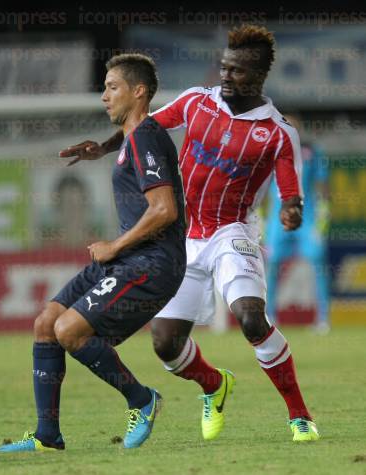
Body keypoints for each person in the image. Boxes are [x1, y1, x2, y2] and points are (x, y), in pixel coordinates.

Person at [60, 24, 319, 442]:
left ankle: (299, 417)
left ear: (258, 76)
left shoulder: (277, 131)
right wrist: (103, 147)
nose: (226, 76)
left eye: (236, 71)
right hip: (180, 237)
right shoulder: (197, 101)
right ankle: (215, 386)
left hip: (231, 231)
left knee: (251, 319)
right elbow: (145, 130)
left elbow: (291, 192)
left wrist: (291, 210)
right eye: (224, 67)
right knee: (165, 344)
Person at [0, 53, 186, 452]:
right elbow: (133, 142)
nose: (103, 96)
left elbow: (165, 210)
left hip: (152, 264)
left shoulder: (148, 137)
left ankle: (142, 400)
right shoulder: (135, 136)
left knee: (69, 330)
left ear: (139, 92)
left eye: (112, 87)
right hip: (129, 259)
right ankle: (48, 436)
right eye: (104, 87)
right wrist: (102, 149)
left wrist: (114, 245)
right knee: (47, 322)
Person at [265, 114, 330, 333]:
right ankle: (270, 318)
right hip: (277, 220)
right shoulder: (269, 151)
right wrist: (259, 220)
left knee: (318, 266)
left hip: (308, 219)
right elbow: (260, 188)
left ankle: (322, 318)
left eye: (293, 126)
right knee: (271, 267)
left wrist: (322, 221)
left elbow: (323, 187)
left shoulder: (311, 152)